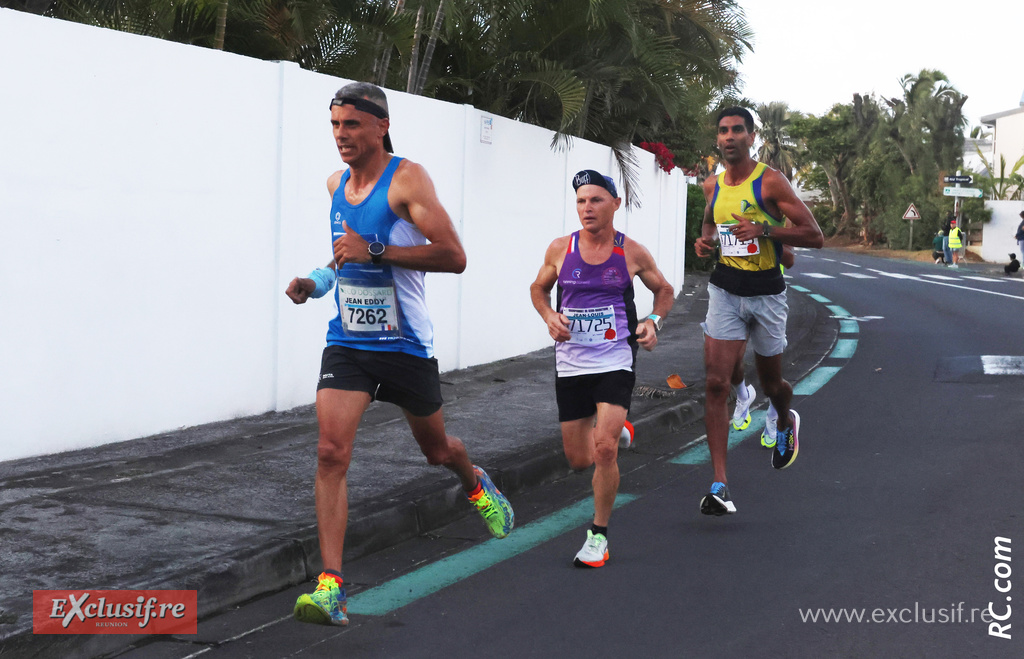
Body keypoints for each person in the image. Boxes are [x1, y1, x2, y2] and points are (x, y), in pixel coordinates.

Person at [285, 82, 513, 626]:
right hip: (349, 343)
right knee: (330, 453)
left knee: (437, 450)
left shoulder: (407, 179)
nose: (341, 135)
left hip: (406, 346)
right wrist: (315, 283)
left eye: (352, 125)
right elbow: (345, 256)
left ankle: (475, 482)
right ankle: (331, 586)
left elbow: (455, 256)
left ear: (380, 126)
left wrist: (379, 249)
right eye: (335, 125)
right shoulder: (336, 183)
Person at [530, 169, 674, 567]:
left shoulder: (631, 252)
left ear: (615, 203)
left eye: (595, 200)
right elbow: (537, 288)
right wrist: (547, 315)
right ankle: (617, 429)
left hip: (615, 359)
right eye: (580, 201)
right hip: (572, 363)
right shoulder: (561, 248)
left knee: (604, 448)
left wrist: (652, 322)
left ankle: (598, 537)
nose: (587, 208)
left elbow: (664, 289)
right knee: (579, 460)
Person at [692, 107, 823, 516]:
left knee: (773, 385)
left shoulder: (770, 181)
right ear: (718, 139)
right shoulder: (711, 184)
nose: (729, 137)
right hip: (725, 289)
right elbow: (710, 225)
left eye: (737, 130)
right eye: (723, 131)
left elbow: (814, 235)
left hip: (766, 293)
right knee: (716, 383)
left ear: (751, 136)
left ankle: (785, 418)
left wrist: (764, 229)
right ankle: (719, 485)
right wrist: (706, 242)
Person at [729, 244, 795, 449]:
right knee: (730, 360)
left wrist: (763, 233)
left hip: (769, 292)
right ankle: (743, 395)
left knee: (771, 378)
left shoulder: (780, 213)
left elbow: (789, 258)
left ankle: (774, 415)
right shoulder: (731, 211)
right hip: (733, 290)